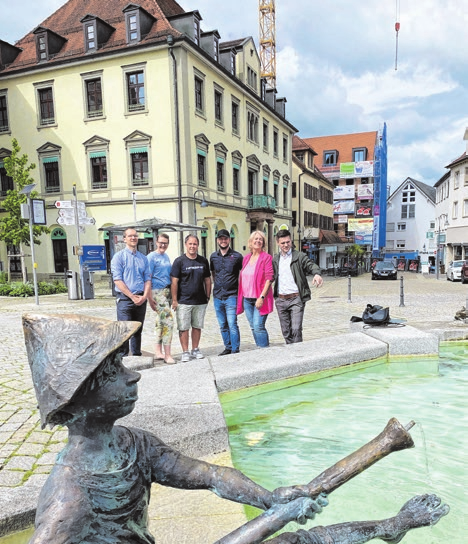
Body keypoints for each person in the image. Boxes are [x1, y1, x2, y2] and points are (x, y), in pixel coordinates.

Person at [23, 313, 449, 544]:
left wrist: (270, 499)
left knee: (298, 537)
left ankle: (391, 526)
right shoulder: (69, 500)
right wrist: (277, 514)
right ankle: (392, 525)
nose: (133, 375)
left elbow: (210, 475)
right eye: (115, 371)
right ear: (80, 400)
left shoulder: (133, 444)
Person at [273, 229, 323, 344]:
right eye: (283, 243)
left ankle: (299, 354)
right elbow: (270, 276)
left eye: (288, 242)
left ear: (291, 241)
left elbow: (310, 265)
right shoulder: (276, 259)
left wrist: (316, 274)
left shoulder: (299, 256)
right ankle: (291, 354)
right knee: (286, 331)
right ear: (278, 243)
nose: (286, 245)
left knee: (296, 329)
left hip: (296, 299)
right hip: (280, 300)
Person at [110, 227, 151, 356]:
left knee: (138, 330)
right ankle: (123, 358)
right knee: (124, 331)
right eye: (130, 236)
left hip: (141, 299)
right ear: (125, 239)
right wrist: (132, 297)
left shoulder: (143, 258)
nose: (133, 238)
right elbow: (117, 280)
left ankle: (137, 355)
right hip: (125, 300)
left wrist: (144, 296)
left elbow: (148, 279)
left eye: (135, 235)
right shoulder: (119, 257)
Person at [171, 234, 211, 362]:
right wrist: (175, 300)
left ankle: (195, 349)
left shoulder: (203, 261)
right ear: (186, 245)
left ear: (198, 245)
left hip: (200, 300)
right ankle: (185, 351)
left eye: (195, 244)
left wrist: (208, 296)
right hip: (184, 301)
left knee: (197, 326)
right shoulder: (179, 261)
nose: (192, 246)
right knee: (183, 327)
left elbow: (208, 280)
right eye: (190, 244)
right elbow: (174, 282)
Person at [237, 230, 274, 348]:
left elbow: (269, 278)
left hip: (259, 298)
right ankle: (259, 348)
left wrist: (261, 297)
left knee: (258, 326)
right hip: (247, 299)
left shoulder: (266, 258)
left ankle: (264, 351)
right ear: (251, 242)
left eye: (260, 239)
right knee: (253, 326)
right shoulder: (246, 258)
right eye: (255, 239)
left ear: (263, 243)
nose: (258, 241)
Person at [210, 229, 243, 356]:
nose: (223, 241)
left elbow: (243, 273)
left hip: (231, 295)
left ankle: (235, 349)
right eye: (221, 239)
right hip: (218, 296)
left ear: (229, 240)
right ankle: (227, 347)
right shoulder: (213, 257)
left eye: (225, 238)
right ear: (218, 240)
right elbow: (213, 273)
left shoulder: (237, 256)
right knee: (223, 324)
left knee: (232, 323)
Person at [147, 233, 175, 364]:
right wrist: (148, 297)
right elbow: (147, 278)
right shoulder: (152, 257)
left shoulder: (166, 256)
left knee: (160, 322)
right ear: (156, 242)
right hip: (156, 291)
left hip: (166, 291)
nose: (163, 245)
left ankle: (158, 351)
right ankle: (168, 354)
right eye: (161, 242)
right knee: (168, 321)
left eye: (165, 243)